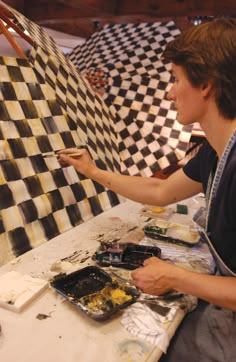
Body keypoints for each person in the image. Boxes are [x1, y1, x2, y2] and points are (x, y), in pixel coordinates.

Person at [58, 18, 236, 361]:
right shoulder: (216, 149)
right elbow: (160, 189)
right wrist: (91, 170)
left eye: (176, 79)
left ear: (206, 85)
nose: (170, 92)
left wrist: (176, 277)